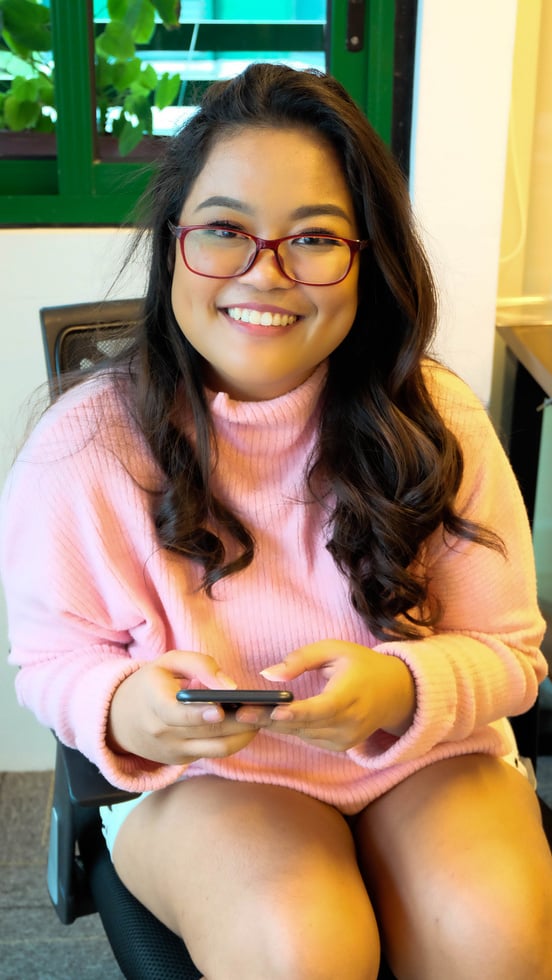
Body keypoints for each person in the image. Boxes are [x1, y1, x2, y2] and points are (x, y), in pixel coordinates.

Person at [1, 63, 551, 980]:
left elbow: (512, 654)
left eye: (314, 237)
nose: (267, 272)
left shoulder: (438, 422)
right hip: (210, 782)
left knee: (489, 935)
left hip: (423, 758)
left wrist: (400, 690)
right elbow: (53, 661)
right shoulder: (85, 447)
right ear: (174, 243)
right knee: (300, 945)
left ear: (367, 257)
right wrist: (123, 708)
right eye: (224, 230)